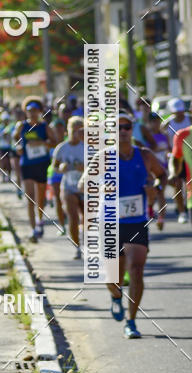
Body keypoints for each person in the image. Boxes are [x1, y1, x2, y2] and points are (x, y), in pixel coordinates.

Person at [81, 111, 166, 339]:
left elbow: (162, 174)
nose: (123, 131)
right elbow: (82, 185)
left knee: (136, 270)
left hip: (137, 221)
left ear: (132, 129)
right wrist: (99, 188)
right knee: (112, 278)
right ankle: (116, 295)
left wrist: (155, 188)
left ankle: (131, 321)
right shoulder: (102, 157)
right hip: (109, 222)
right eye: (118, 128)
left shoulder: (145, 155)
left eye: (127, 127)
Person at [13, 97, 56, 241]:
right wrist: (18, 148)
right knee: (30, 197)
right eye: (29, 111)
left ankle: (40, 220)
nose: (32, 113)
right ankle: (33, 230)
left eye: (35, 111)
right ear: (26, 112)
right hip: (27, 164)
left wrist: (42, 142)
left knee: (40, 198)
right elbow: (15, 140)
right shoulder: (21, 126)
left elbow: (54, 142)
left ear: (40, 111)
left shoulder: (45, 127)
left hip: (42, 163)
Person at [52, 117, 85, 257]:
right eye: (73, 129)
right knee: (73, 217)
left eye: (80, 130)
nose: (76, 133)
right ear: (68, 130)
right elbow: (54, 167)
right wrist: (61, 168)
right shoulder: (62, 148)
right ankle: (77, 247)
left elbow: (100, 167)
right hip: (68, 186)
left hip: (87, 187)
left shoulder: (88, 147)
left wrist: (85, 168)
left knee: (89, 218)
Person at [165, 99, 192, 222]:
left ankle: (187, 205)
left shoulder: (189, 119)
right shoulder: (167, 124)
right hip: (176, 156)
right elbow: (165, 140)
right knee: (177, 184)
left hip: (187, 157)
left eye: (181, 110)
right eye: (176, 111)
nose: (179, 113)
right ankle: (182, 212)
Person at [147, 112, 169, 229]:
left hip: (162, 170)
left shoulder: (164, 135)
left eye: (158, 121)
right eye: (153, 121)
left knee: (160, 192)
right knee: (152, 192)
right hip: (151, 170)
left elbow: (169, 148)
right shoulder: (148, 136)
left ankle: (161, 218)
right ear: (149, 123)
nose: (156, 124)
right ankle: (150, 208)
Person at [47, 118, 66, 235]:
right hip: (54, 175)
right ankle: (62, 225)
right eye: (56, 127)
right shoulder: (49, 144)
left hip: (70, 175)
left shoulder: (70, 141)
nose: (58, 129)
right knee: (58, 200)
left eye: (60, 126)